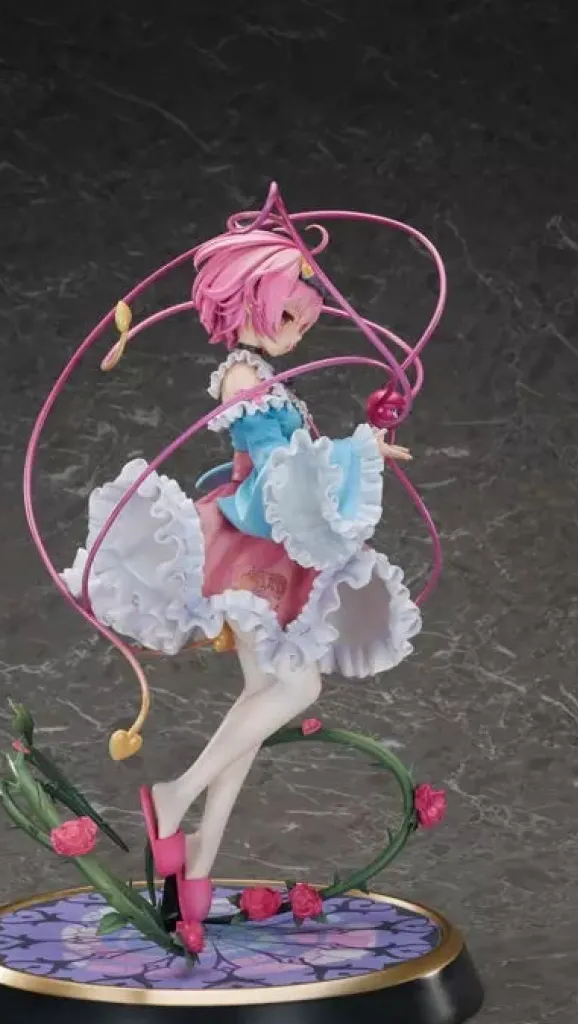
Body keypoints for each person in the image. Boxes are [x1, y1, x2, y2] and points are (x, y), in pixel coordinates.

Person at [61, 228, 420, 923]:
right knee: (297, 686)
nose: (295, 331)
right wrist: (354, 454)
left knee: (262, 698)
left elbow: (291, 469)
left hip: (271, 552)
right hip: (249, 550)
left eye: (304, 321)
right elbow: (270, 488)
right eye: (286, 314)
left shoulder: (266, 379)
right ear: (245, 300)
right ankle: (176, 795)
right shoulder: (245, 380)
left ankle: (200, 854)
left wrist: (355, 452)